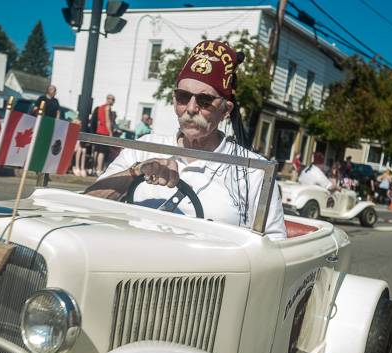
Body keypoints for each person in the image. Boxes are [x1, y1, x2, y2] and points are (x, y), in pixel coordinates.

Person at [86, 39, 286, 239]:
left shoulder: (254, 172)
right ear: (174, 100)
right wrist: (137, 171)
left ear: (226, 110)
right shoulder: (144, 146)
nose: (191, 108)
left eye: (205, 100)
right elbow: (86, 207)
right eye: (183, 97)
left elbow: (275, 248)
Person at [92, 94, 116, 174]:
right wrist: (110, 133)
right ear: (109, 99)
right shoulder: (108, 108)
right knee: (102, 152)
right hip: (104, 131)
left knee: (97, 150)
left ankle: (94, 168)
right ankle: (99, 169)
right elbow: (107, 121)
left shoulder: (100, 107)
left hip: (99, 131)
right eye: (112, 99)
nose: (113, 101)